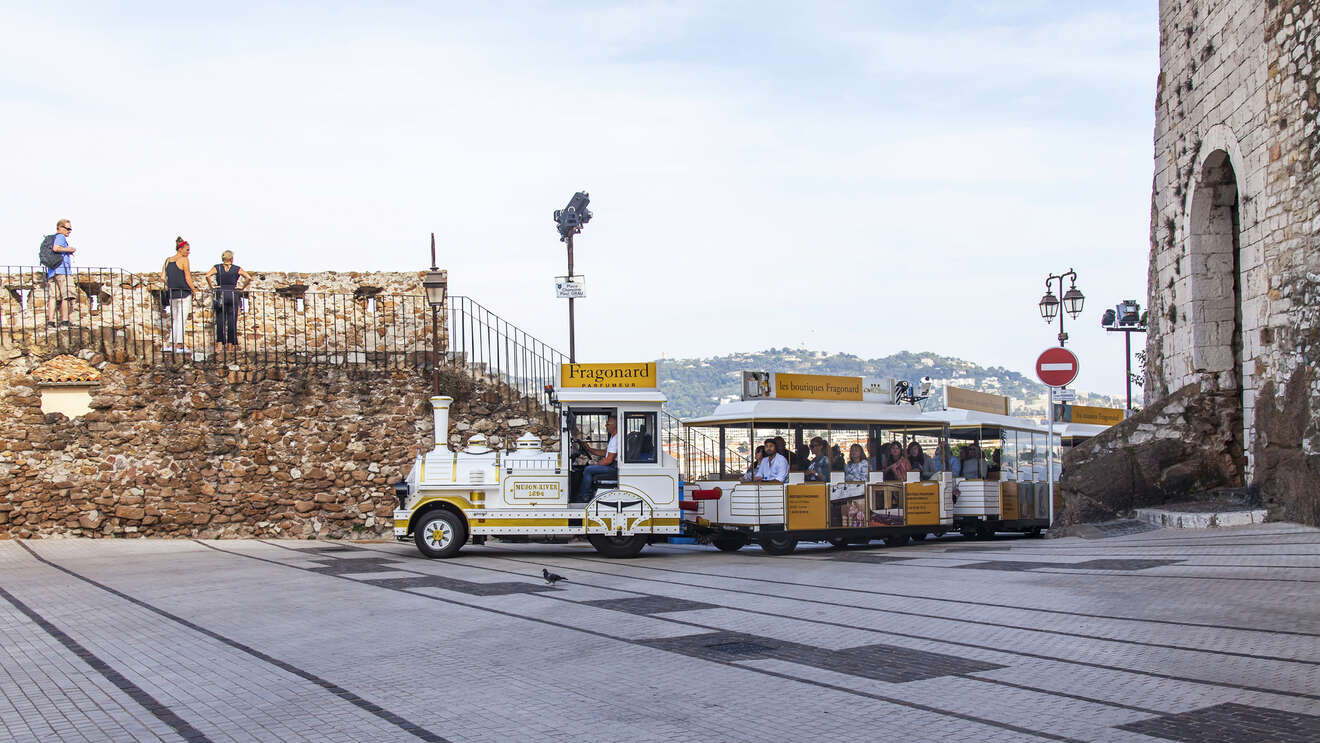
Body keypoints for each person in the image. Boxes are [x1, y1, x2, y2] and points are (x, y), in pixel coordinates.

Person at [205, 250, 251, 353]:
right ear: (232, 259)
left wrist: (212, 287)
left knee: (220, 319)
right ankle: (230, 346)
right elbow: (248, 277)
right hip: (233, 293)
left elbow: (207, 276)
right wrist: (242, 287)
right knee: (232, 320)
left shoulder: (218, 267)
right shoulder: (236, 268)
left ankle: (219, 345)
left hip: (221, 293)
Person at [161, 237, 198, 353]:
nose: (188, 252)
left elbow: (163, 277)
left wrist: (170, 284)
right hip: (184, 293)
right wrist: (193, 290)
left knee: (175, 318)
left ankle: (172, 342)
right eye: (187, 250)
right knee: (181, 318)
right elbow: (187, 277)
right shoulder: (184, 260)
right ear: (180, 249)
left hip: (172, 294)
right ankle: (179, 344)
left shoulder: (168, 260)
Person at [577, 414, 618, 501]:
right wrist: (589, 449)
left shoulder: (616, 438)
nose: (605, 425)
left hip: (614, 467)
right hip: (612, 465)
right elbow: (605, 453)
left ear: (615, 425)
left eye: (608, 424)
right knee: (589, 468)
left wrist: (597, 464)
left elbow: (609, 460)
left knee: (588, 469)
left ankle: (583, 496)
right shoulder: (613, 437)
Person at [45, 219, 76, 328]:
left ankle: (50, 321)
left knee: (53, 297)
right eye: (67, 228)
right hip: (62, 271)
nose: (69, 231)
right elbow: (56, 248)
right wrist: (69, 249)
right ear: (60, 228)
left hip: (52, 271)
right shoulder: (60, 237)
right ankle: (65, 321)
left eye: (70, 229)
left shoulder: (53, 238)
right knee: (66, 295)